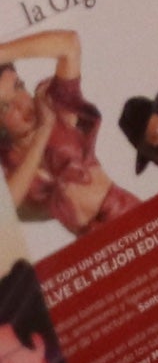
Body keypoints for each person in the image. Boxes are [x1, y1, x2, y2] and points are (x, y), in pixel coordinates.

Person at [0, 29, 135, 236]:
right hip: (91, 245)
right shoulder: (7, 160)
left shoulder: (52, 102)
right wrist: (42, 133)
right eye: (5, 106)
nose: (22, 104)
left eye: (19, 87)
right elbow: (5, 211)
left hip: (125, 214)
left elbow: (69, 44)